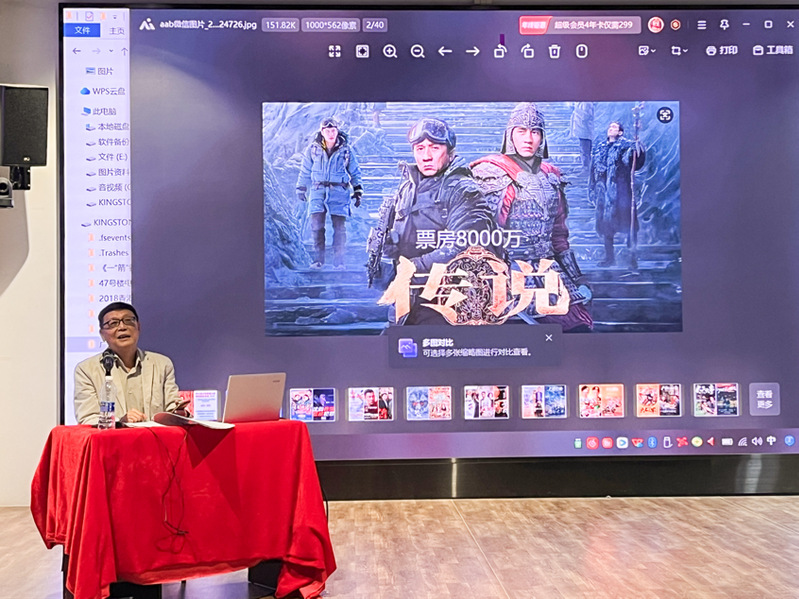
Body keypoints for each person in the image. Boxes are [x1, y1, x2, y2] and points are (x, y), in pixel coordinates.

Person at [472, 102, 592, 331]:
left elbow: (558, 235)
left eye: (535, 132)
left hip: (549, 271)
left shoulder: (551, 176)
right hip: (506, 272)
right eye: (521, 131)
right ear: (510, 135)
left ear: (542, 138)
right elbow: (482, 237)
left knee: (575, 328)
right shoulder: (490, 173)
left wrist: (577, 278)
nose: (528, 138)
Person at [369, 117, 495, 324]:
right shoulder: (407, 188)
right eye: (420, 149)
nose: (426, 156)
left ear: (450, 153)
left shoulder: (464, 191)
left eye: (434, 148)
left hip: (450, 303)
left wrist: (412, 267)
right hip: (407, 301)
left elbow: (466, 246)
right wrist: (389, 250)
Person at [74, 302, 185, 425]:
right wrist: (120, 422)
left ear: (138, 327)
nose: (122, 327)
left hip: (154, 436)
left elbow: (171, 409)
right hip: (114, 437)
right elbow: (87, 418)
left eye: (128, 321)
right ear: (102, 334)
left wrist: (179, 413)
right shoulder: (86, 370)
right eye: (113, 323)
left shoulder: (162, 364)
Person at [296, 117, 364, 269]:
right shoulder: (313, 150)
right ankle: (318, 260)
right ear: (322, 132)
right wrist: (301, 187)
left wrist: (358, 190)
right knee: (316, 227)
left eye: (333, 130)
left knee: (339, 229)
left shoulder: (346, 150)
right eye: (327, 131)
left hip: (339, 192)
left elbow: (354, 171)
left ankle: (339, 262)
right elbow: (305, 170)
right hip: (318, 191)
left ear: (337, 131)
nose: (331, 134)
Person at [589, 120, 646, 268]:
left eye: (614, 127)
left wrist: (638, 149)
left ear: (620, 132)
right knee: (606, 226)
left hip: (621, 191)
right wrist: (592, 187)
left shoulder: (626, 146)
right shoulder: (600, 147)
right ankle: (610, 258)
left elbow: (635, 164)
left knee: (628, 225)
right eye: (610, 126)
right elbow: (593, 169)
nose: (611, 129)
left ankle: (632, 258)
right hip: (603, 192)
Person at [569, 102, 594, 173]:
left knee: (585, 151)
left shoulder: (587, 102)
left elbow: (586, 116)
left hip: (585, 131)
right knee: (583, 150)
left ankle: (586, 169)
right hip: (581, 131)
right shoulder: (578, 103)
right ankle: (585, 167)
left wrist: (576, 109)